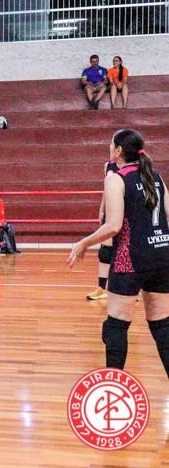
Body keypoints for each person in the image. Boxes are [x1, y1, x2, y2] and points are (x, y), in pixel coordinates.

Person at [68, 129, 169, 378]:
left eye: (111, 145)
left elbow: (113, 226)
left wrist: (83, 243)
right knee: (162, 327)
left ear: (119, 151)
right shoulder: (155, 176)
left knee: (115, 327)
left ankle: (112, 388)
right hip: (161, 257)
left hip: (130, 259)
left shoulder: (116, 178)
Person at [87, 159, 120, 300]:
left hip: (126, 209)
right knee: (105, 251)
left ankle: (127, 289)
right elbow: (107, 190)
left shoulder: (132, 164)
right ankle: (101, 288)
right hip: (110, 210)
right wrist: (102, 209)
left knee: (124, 248)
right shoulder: (108, 165)